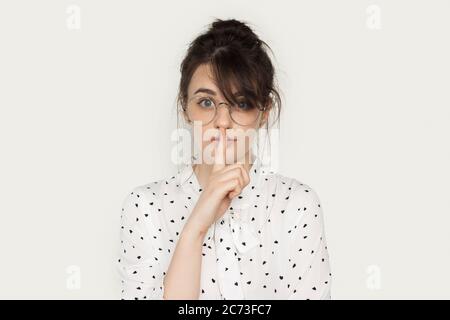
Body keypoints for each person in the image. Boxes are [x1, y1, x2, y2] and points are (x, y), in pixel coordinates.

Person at [116, 18, 332, 300]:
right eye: (206, 102)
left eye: (241, 103)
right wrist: (196, 226)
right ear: (185, 107)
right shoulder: (145, 208)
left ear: (263, 111)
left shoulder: (297, 206)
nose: (222, 121)